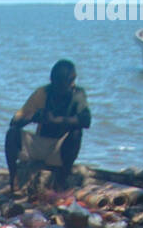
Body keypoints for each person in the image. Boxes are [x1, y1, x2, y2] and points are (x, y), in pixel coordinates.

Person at [5, 60, 91, 192]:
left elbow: (86, 120)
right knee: (12, 133)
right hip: (39, 144)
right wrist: (34, 117)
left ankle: (61, 180)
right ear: (53, 81)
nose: (71, 84)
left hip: (60, 147)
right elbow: (15, 121)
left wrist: (56, 120)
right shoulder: (42, 93)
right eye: (66, 82)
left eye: (71, 81)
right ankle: (14, 179)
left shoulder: (77, 94)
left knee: (76, 133)